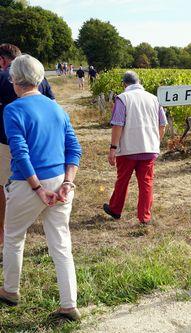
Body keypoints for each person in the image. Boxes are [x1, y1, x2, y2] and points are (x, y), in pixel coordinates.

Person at [0, 54, 82, 321]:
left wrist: (37, 188)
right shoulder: (57, 108)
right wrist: (68, 182)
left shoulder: (13, 110)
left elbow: (20, 154)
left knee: (13, 237)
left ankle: (10, 291)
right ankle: (69, 304)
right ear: (40, 78)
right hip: (60, 181)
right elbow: (74, 148)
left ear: (14, 80)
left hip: (29, 184)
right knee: (61, 243)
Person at [0, 43, 55, 245]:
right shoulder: (40, 77)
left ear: (3, 60)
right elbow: (52, 104)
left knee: (5, 184)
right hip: (39, 142)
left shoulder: (3, 77)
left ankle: (4, 230)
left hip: (6, 141)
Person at [103, 71, 166, 225]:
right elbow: (162, 124)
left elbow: (118, 124)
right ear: (139, 82)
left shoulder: (123, 98)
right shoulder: (154, 99)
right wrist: (155, 141)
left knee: (122, 180)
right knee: (146, 183)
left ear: (125, 84)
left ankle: (115, 209)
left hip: (128, 149)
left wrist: (113, 148)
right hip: (149, 148)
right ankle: (144, 217)